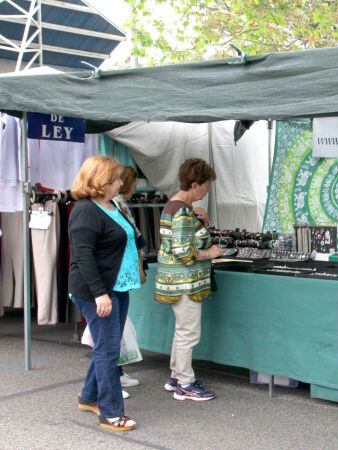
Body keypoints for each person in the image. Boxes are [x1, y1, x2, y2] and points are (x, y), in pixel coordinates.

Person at [69, 156, 140, 431]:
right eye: (117, 178)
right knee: (109, 351)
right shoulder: (86, 210)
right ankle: (110, 413)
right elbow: (83, 256)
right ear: (103, 181)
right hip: (97, 291)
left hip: (118, 286)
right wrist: (100, 294)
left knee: (106, 347)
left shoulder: (110, 204)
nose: (122, 183)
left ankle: (88, 396)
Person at [155, 158, 224, 401]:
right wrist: (211, 253)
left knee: (182, 330)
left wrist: (203, 222)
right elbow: (185, 252)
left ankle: (176, 377)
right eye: (206, 185)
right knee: (189, 333)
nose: (207, 190)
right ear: (195, 185)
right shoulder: (182, 212)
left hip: (175, 281)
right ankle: (185, 383)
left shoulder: (172, 207)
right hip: (186, 282)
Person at [111, 166, 146, 395]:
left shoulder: (118, 203)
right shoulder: (113, 204)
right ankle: (111, 379)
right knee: (111, 332)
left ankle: (117, 374)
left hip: (120, 274)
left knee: (118, 328)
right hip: (113, 276)